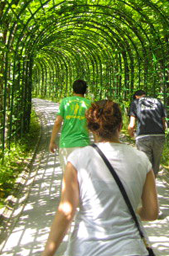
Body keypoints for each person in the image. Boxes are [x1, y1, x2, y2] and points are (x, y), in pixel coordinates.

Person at [42, 100, 158, 256]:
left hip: (87, 248)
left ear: (91, 128)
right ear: (120, 126)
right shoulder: (141, 160)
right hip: (131, 249)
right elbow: (151, 213)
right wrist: (128, 213)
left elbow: (66, 213)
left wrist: (46, 254)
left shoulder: (78, 159)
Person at [49, 79, 91, 170]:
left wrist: (52, 141)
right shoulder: (89, 104)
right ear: (85, 91)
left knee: (68, 176)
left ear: (73, 90)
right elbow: (93, 125)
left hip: (66, 143)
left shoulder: (65, 102)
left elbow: (57, 123)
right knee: (83, 176)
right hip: (83, 143)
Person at [128, 90, 166, 177]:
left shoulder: (136, 102)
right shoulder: (158, 101)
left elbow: (131, 125)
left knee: (145, 166)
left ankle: (146, 188)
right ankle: (152, 186)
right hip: (159, 136)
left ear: (136, 96)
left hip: (143, 137)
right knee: (155, 166)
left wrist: (131, 134)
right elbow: (163, 123)